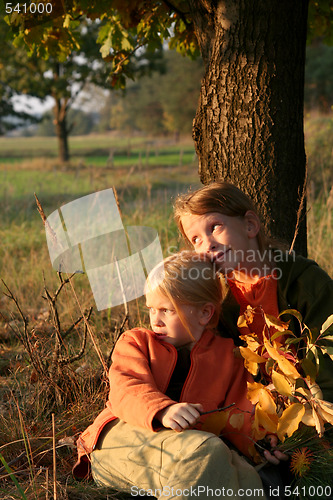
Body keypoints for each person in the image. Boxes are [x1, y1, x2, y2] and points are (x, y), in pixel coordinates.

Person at [73, 251, 272, 499]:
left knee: (248, 481)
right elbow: (127, 389)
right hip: (120, 438)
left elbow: (240, 412)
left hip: (188, 448)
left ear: (204, 313)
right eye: (151, 309)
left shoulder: (227, 357)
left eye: (167, 310)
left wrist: (262, 443)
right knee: (206, 451)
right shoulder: (136, 343)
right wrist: (163, 410)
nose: (155, 320)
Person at [173, 181, 333, 403]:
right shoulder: (217, 302)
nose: (207, 244)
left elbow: (328, 377)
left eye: (215, 227)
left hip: (314, 411)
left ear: (249, 225)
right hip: (254, 416)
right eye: (196, 239)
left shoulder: (307, 284)